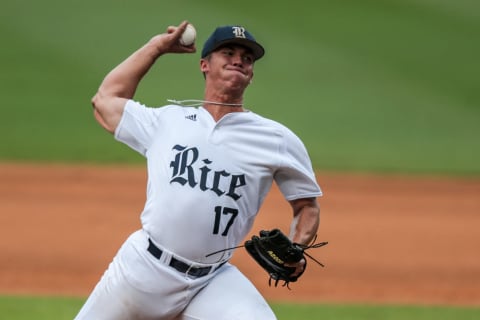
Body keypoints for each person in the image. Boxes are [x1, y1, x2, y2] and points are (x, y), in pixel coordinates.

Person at [75, 21, 322, 320]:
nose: (239, 60)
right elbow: (105, 100)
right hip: (142, 270)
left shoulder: (277, 139)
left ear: (251, 73)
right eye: (228, 52)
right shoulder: (166, 121)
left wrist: (296, 248)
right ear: (204, 65)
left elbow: (306, 205)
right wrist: (157, 47)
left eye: (247, 58)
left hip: (211, 282)